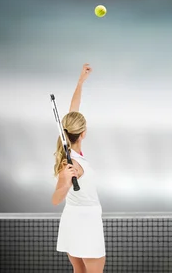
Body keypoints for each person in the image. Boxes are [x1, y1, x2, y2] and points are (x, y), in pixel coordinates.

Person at [52, 64, 105, 273]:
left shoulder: (69, 152)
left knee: (79, 271)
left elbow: (74, 109)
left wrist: (80, 81)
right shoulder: (71, 163)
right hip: (86, 222)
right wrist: (65, 181)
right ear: (82, 133)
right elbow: (56, 199)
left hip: (74, 220)